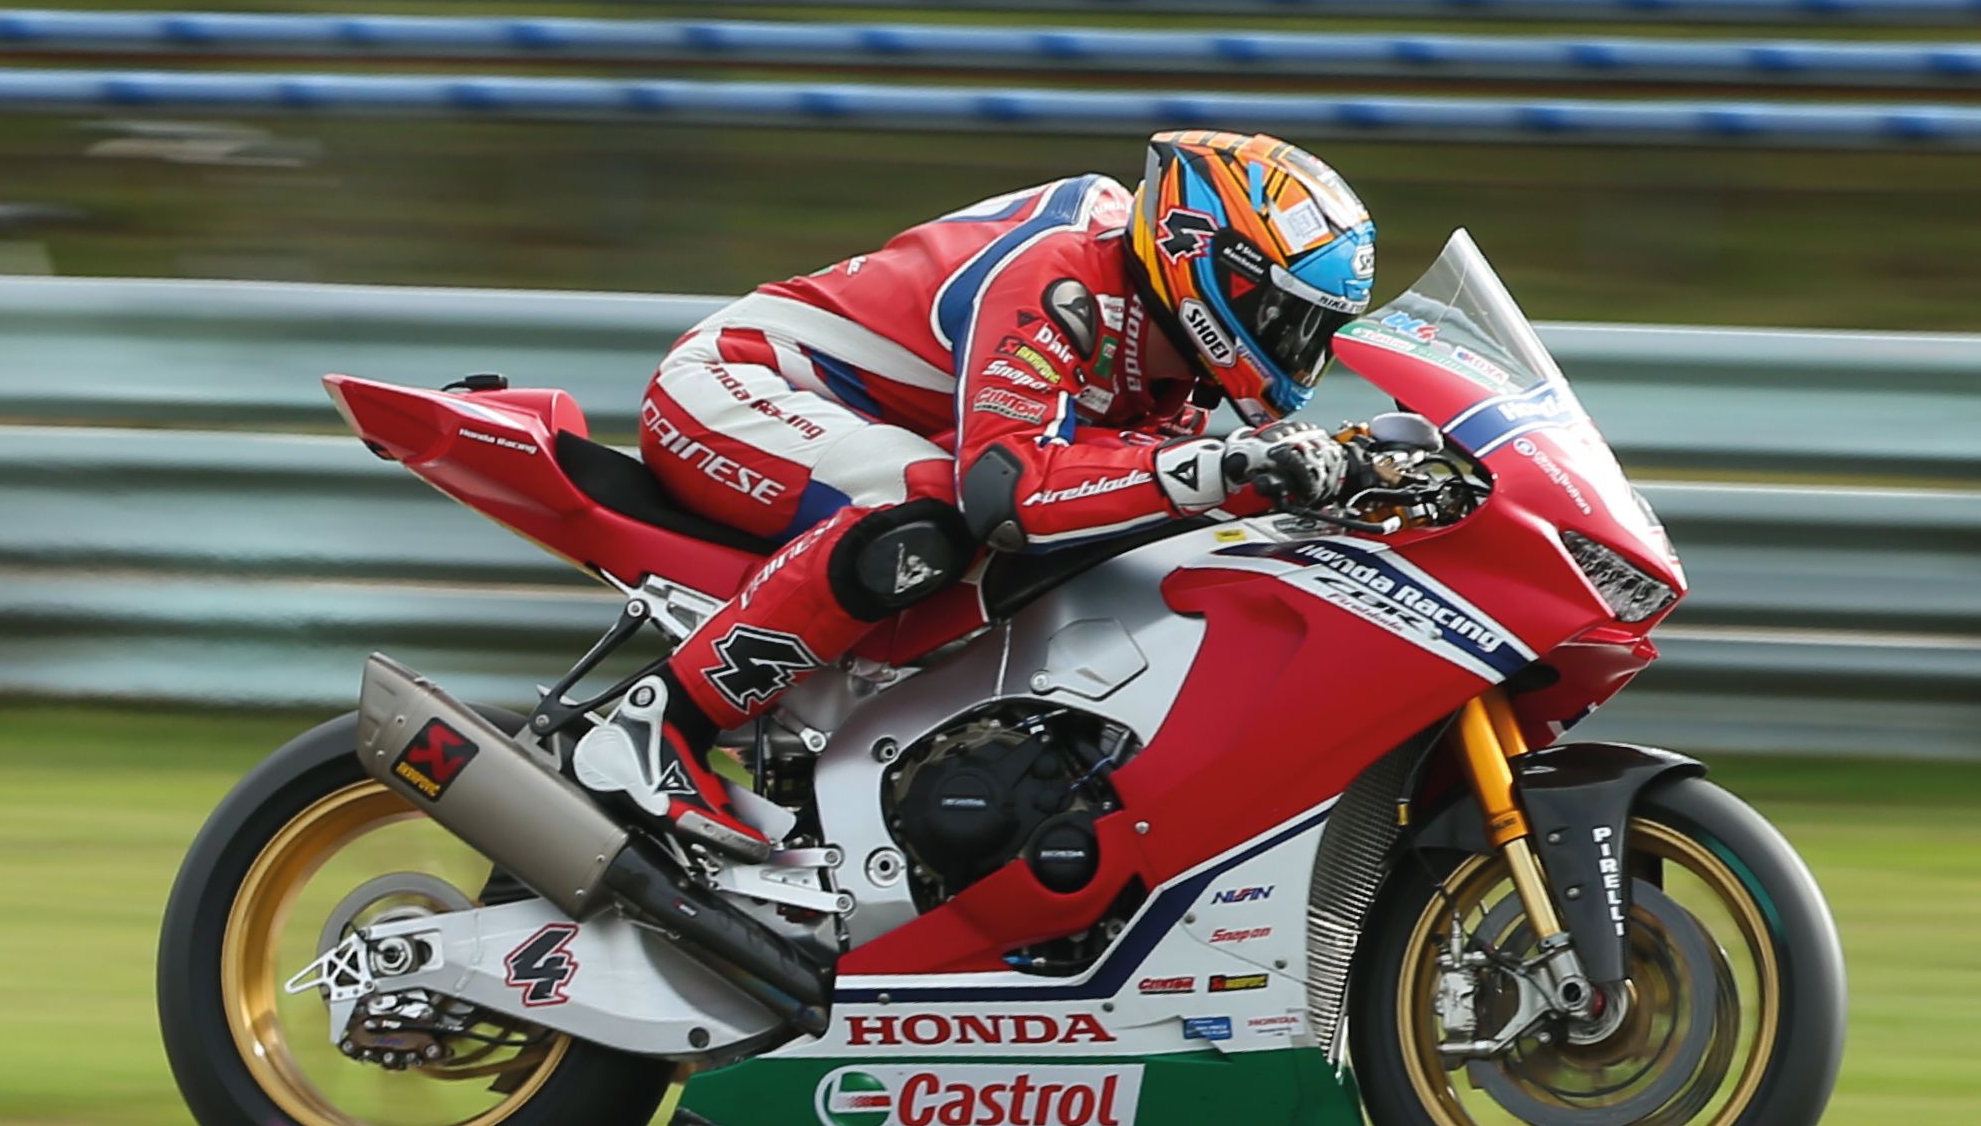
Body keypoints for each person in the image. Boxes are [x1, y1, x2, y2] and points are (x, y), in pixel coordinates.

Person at [573, 129, 1378, 861]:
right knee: (928, 511)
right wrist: (1219, 471)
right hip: (731, 386)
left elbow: (1130, 477)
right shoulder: (1060, 273)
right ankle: (660, 726)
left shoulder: (1167, 345)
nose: (1299, 350)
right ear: (1207, 263)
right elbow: (1010, 493)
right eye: (1287, 318)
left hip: (870, 421)